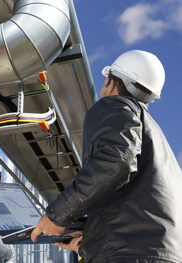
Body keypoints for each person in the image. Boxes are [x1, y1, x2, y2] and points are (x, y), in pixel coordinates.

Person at [31, 50, 182, 263]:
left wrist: (58, 215)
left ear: (110, 82)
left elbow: (117, 161)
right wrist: (92, 237)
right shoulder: (159, 144)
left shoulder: (116, 106)